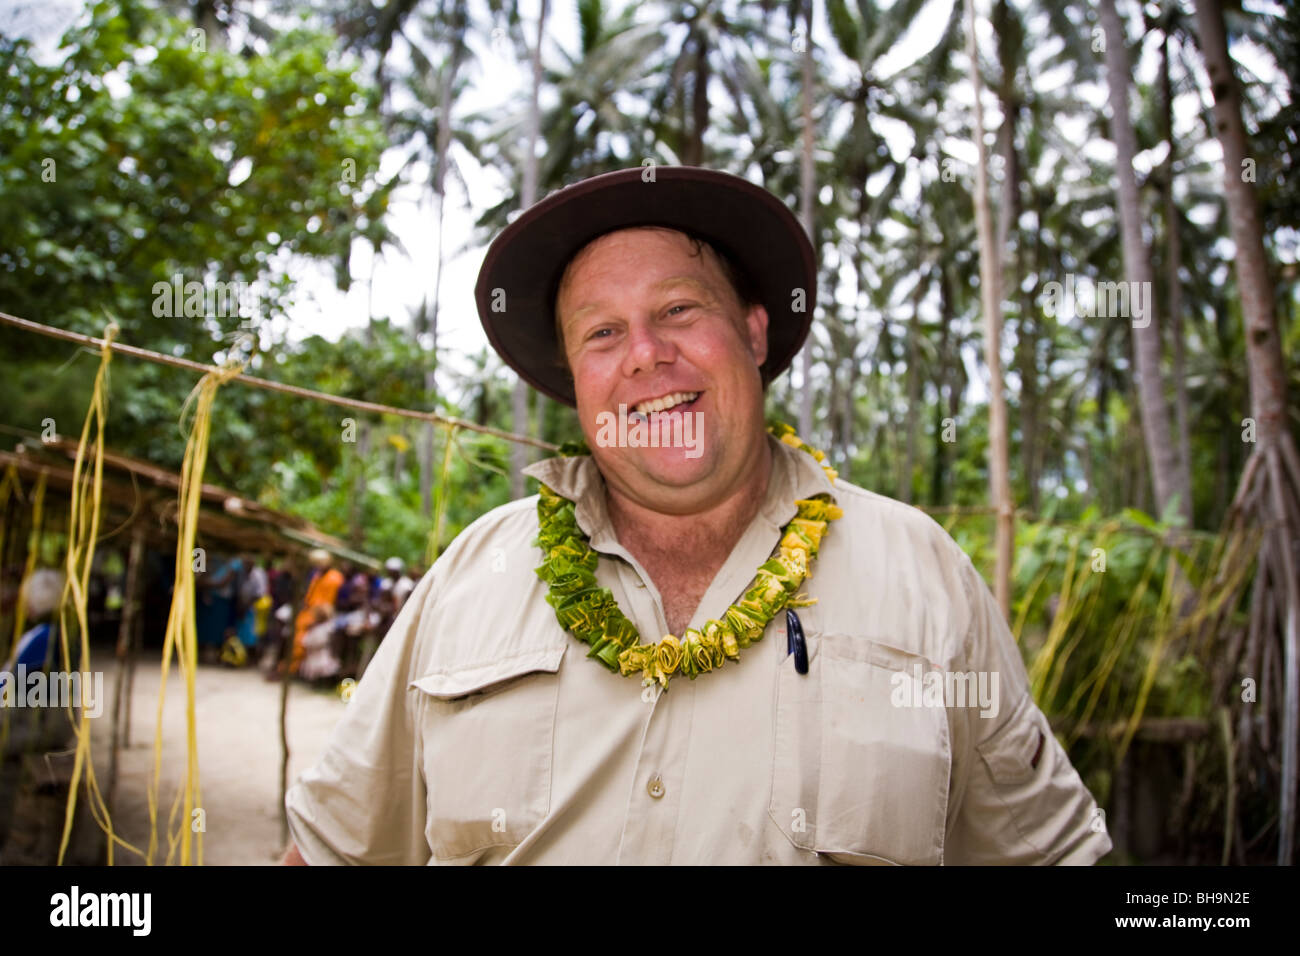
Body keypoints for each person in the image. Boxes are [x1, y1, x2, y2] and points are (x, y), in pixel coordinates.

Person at [284, 166, 1111, 865]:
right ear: (576, 380)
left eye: (680, 310)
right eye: (603, 332)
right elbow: (331, 854)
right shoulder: (474, 573)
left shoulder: (922, 574)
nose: (646, 352)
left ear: (754, 333)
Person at [290, 549, 344, 676]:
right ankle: (293, 668)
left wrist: (317, 619)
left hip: (322, 616)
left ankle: (297, 670)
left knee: (306, 641)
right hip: (309, 612)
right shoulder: (317, 575)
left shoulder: (334, 578)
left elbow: (328, 604)